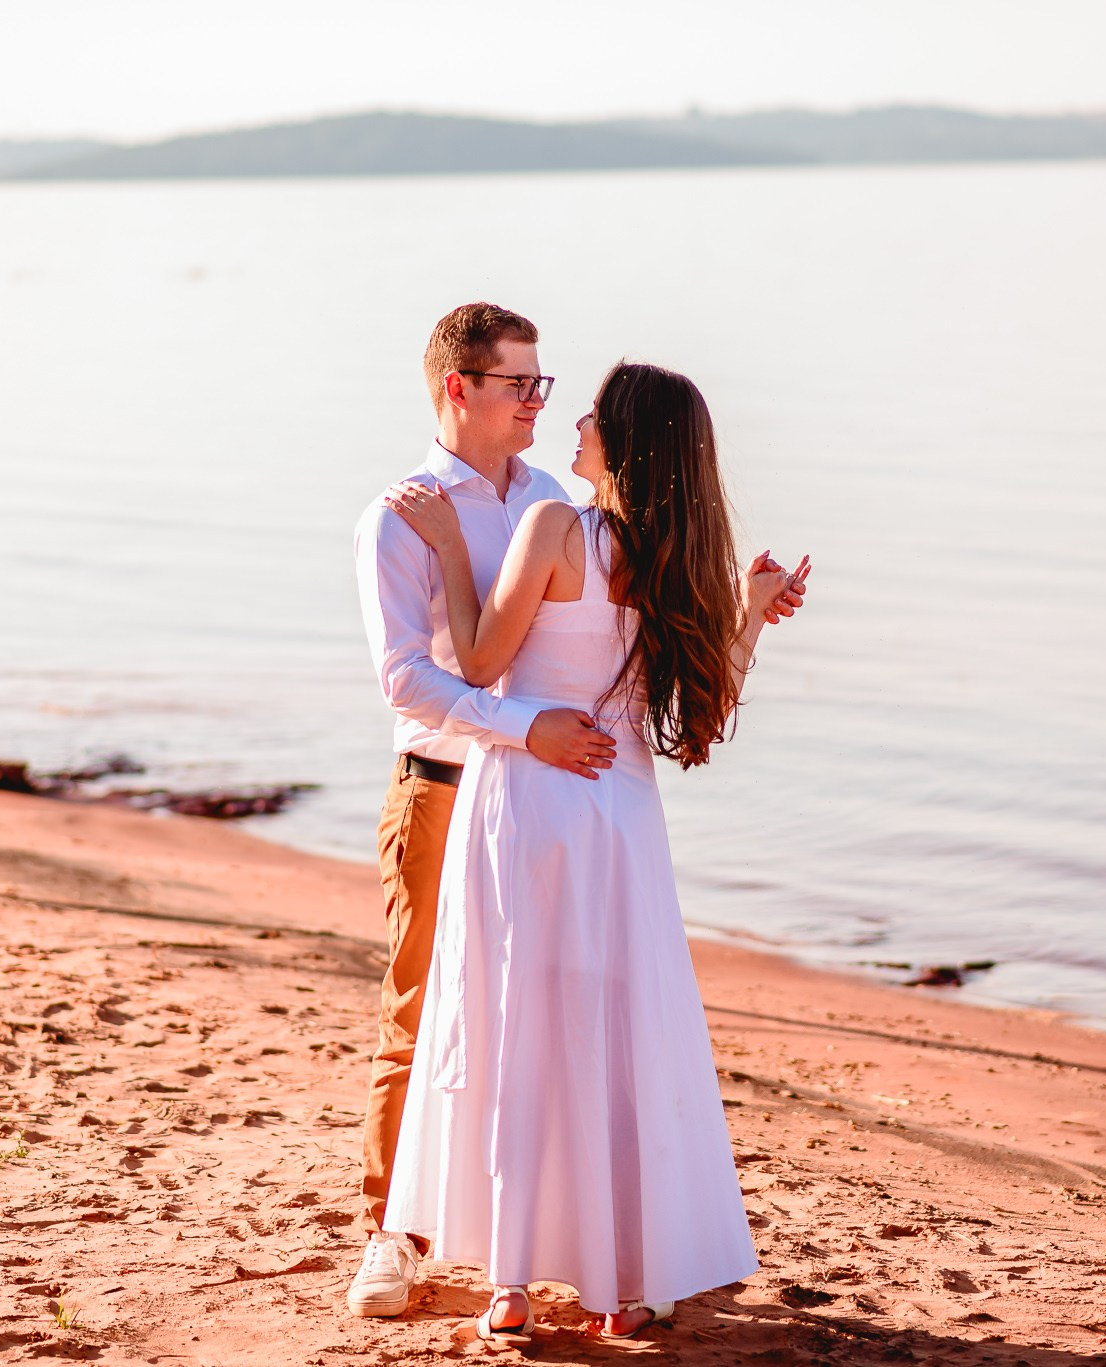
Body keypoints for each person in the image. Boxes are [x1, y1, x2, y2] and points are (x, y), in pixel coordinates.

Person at [380, 361, 812, 1340]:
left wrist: (447, 546)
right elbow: (701, 719)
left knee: (517, 1024)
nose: (575, 420)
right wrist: (750, 610)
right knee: (611, 1035)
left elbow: (478, 661)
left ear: (625, 441)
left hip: (528, 800)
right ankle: (617, 1286)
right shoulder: (675, 563)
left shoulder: (551, 527)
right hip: (619, 818)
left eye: (595, 412)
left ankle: (511, 1282)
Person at [347, 302, 624, 1319]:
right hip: (444, 788)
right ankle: (391, 1234)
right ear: (458, 387)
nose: (538, 402)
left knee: (543, 1017)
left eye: (542, 383)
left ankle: (541, 1232)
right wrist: (520, 727)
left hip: (545, 805)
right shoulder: (399, 515)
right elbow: (406, 679)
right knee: (422, 1013)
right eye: (519, 384)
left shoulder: (555, 498)